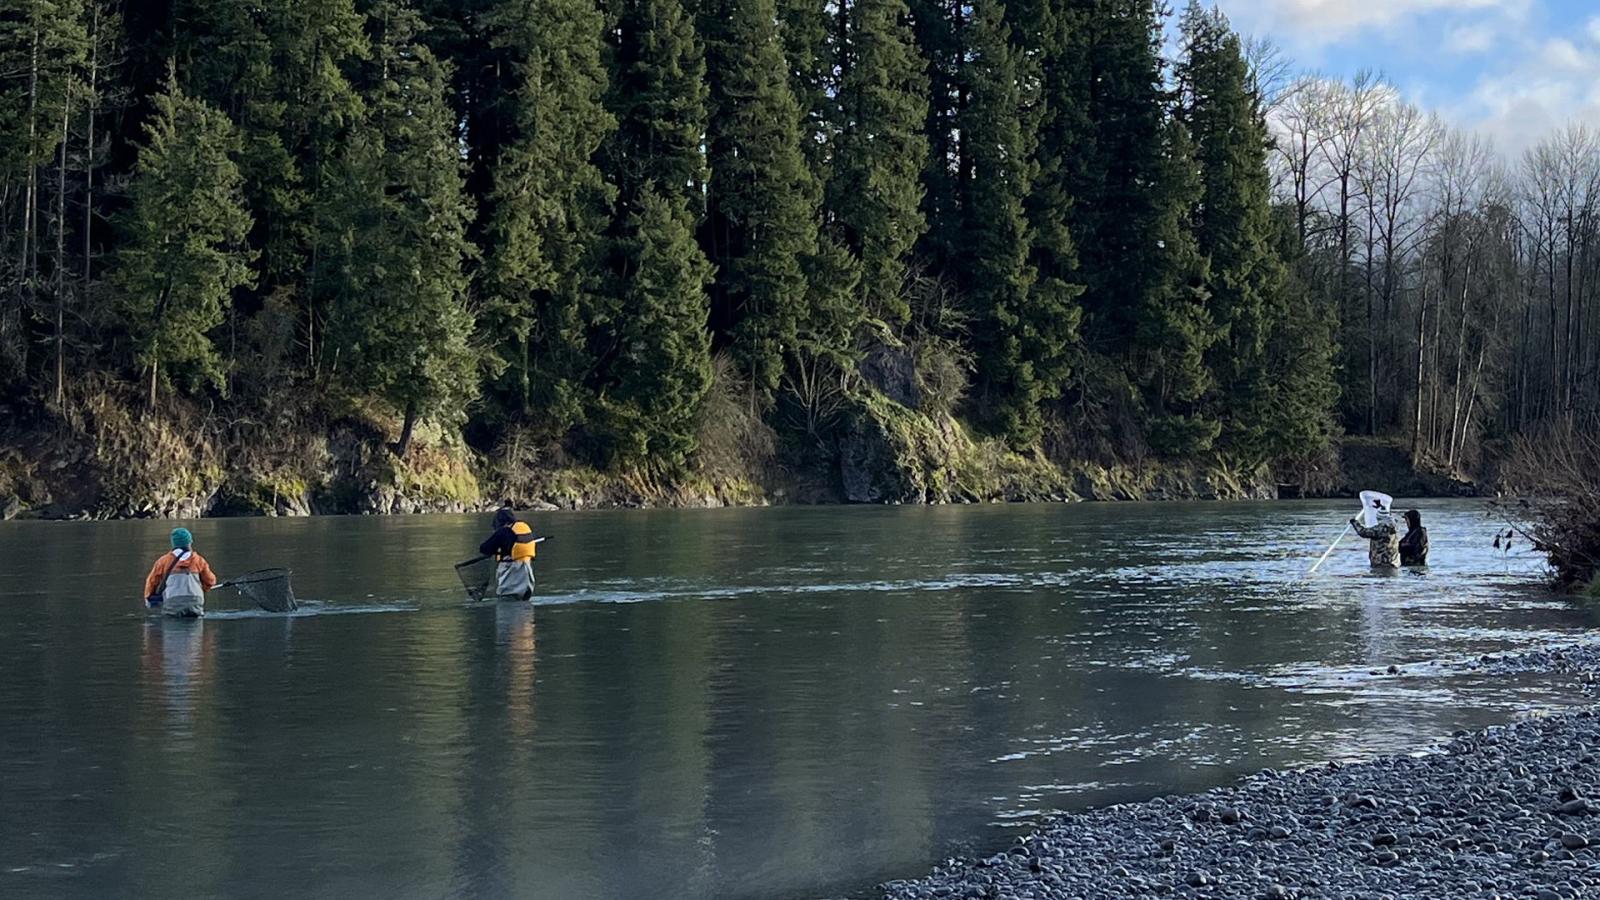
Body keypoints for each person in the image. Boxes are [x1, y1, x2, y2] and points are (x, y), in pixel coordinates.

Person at [143, 527, 218, 617]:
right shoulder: (199, 560)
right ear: (189, 542)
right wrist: (202, 590)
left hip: (173, 603)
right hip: (195, 602)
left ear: (174, 544)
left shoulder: (163, 561)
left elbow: (151, 582)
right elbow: (211, 581)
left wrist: (149, 598)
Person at [479, 507, 537, 600]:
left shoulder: (504, 531)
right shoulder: (523, 527)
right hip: (527, 570)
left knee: (507, 599)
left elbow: (484, 548)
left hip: (511, 572)